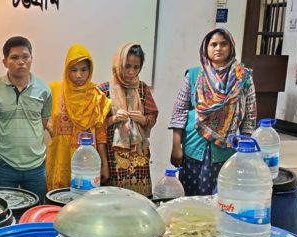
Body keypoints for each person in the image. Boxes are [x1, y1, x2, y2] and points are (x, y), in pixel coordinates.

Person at [169, 28, 257, 196]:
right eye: (213, 44)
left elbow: (249, 116)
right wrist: (175, 146)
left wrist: (245, 150)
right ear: (206, 48)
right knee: (190, 199)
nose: (218, 48)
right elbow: (179, 112)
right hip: (194, 147)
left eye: (223, 44)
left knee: (220, 198)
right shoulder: (193, 75)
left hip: (227, 150)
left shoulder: (243, 78)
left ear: (231, 47)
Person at [0, 36, 52, 202]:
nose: (21, 62)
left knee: (35, 210)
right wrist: (1, 152)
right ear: (5, 62)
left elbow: (42, 124)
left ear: (32, 59)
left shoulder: (44, 90)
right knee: (5, 209)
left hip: (36, 166)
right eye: (14, 57)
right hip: (5, 165)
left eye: (25, 57)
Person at [45, 44, 112, 191]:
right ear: (66, 70)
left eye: (83, 70)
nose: (78, 75)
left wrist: (104, 165)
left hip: (86, 161)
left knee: (83, 199)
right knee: (57, 199)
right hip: (59, 158)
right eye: (73, 70)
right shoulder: (54, 90)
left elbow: (100, 135)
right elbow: (37, 113)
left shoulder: (96, 96)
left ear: (90, 70)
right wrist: (50, 129)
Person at [98, 43, 158, 196]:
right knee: (114, 199)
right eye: (127, 66)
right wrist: (113, 119)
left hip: (139, 155)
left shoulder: (142, 89)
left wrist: (143, 120)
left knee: (139, 200)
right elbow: (96, 125)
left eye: (136, 67)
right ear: (119, 64)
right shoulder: (104, 90)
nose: (131, 72)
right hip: (112, 155)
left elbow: (152, 116)